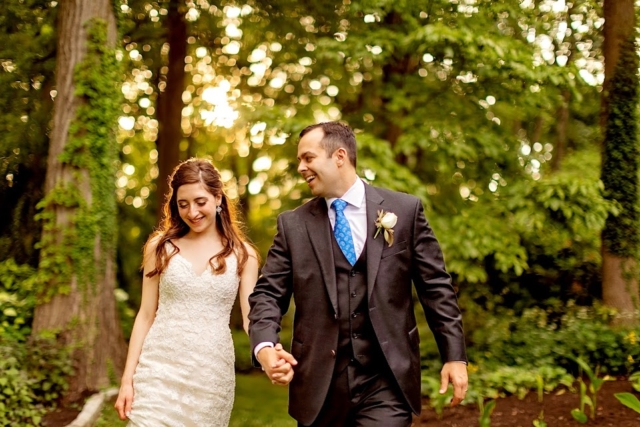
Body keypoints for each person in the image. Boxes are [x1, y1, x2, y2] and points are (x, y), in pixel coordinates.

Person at [248, 122, 468, 427]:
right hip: (319, 387)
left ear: (339, 156)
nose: (301, 167)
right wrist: (265, 348)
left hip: (386, 381)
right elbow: (268, 294)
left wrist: (454, 355)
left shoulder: (404, 211)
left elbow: (436, 287)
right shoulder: (293, 226)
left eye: (308, 158)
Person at [114, 158, 259, 426]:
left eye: (200, 202)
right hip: (157, 368)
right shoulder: (160, 247)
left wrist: (269, 352)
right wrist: (127, 380)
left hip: (210, 374)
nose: (192, 212)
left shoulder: (243, 255)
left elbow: (252, 320)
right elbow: (145, 315)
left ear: (217, 198)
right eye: (183, 204)